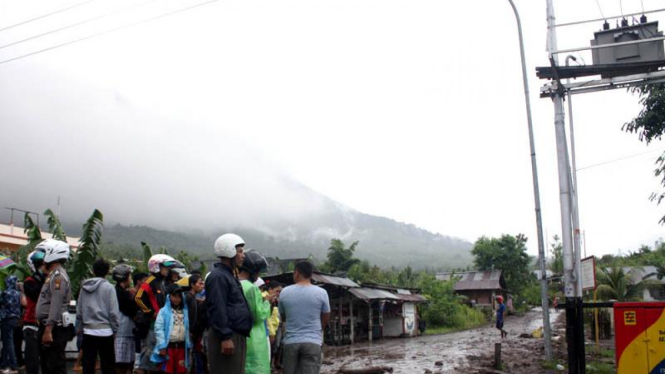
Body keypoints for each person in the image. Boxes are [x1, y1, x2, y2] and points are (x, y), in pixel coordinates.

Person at [205, 233, 252, 374]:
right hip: (227, 335)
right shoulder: (218, 276)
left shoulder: (228, 275)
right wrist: (225, 337)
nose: (243, 255)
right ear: (229, 251)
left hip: (234, 334)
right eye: (240, 251)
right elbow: (217, 307)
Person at [279, 261, 330, 374]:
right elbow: (326, 316)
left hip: (291, 342)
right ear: (311, 275)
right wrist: (318, 329)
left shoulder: (284, 292)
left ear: (296, 273)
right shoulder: (322, 293)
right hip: (313, 341)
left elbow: (283, 316)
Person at [35, 239, 74, 374]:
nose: (41, 259)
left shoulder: (58, 277)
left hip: (54, 329)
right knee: (47, 365)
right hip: (49, 327)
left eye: (43, 254)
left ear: (52, 254)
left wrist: (48, 330)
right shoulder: (52, 276)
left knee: (55, 366)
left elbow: (56, 304)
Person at [135, 254, 178, 374]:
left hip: (160, 324)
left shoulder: (160, 282)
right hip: (151, 324)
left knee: (156, 357)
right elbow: (138, 298)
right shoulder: (150, 281)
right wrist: (150, 312)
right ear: (156, 266)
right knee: (148, 356)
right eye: (165, 267)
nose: (167, 270)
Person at [77, 259, 120, 374]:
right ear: (107, 272)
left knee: (88, 365)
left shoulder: (84, 287)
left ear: (93, 271)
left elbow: (79, 310)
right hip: (106, 331)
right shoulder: (109, 288)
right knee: (108, 366)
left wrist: (80, 327)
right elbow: (113, 312)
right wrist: (115, 329)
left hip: (88, 330)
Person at [237, 251, 273, 374]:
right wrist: (267, 302)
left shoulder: (234, 283)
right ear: (252, 270)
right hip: (254, 337)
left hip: (239, 335)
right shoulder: (251, 288)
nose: (258, 276)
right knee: (256, 368)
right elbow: (258, 315)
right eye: (258, 272)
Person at [150, 285, 191, 374]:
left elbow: (187, 329)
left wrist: (188, 344)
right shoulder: (163, 311)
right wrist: (162, 346)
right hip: (168, 347)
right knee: (167, 371)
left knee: (181, 370)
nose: (177, 299)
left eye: (179, 296)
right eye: (174, 296)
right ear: (169, 296)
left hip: (181, 347)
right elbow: (159, 329)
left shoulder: (185, 312)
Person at [23, 250, 46, 374]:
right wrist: (41, 279)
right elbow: (36, 295)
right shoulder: (28, 282)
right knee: (32, 360)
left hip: (44, 325)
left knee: (46, 360)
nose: (43, 268)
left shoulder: (47, 280)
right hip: (31, 324)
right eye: (41, 265)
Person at [113, 264, 138, 374]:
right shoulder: (121, 294)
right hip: (123, 332)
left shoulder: (118, 291)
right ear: (125, 278)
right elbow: (132, 310)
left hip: (124, 331)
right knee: (122, 364)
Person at [184, 275, 207, 374]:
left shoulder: (193, 297)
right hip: (188, 332)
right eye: (199, 283)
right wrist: (189, 330)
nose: (202, 285)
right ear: (192, 285)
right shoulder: (188, 297)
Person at [0, 276, 22, 374]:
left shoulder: (6, 293)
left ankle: (13, 366)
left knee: (8, 342)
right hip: (15, 318)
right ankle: (3, 364)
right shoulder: (18, 293)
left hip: (6, 318)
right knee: (7, 341)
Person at [265, 281, 283, 370]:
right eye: (277, 291)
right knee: (271, 346)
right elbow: (267, 317)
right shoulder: (265, 299)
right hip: (269, 328)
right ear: (270, 289)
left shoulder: (277, 300)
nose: (278, 293)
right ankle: (269, 365)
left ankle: (274, 363)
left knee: (277, 346)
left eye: (280, 292)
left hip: (277, 326)